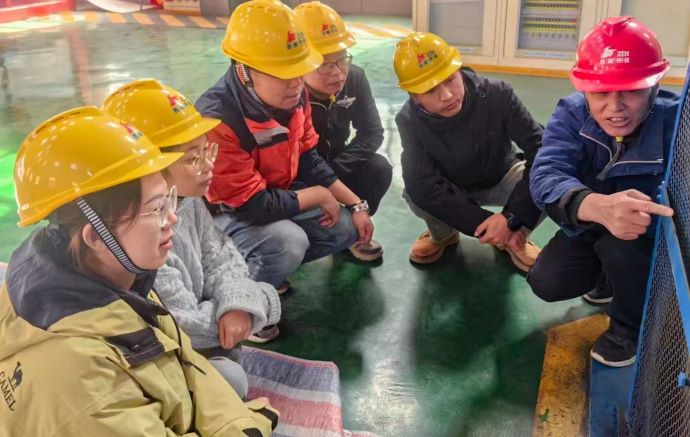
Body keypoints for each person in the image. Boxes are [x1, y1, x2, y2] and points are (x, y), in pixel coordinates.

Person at [0, 107, 278, 435]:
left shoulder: (112, 275)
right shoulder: (81, 381)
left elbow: (186, 364)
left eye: (169, 200)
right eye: (156, 208)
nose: (172, 218)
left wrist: (240, 424)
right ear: (96, 236)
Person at [103, 79, 282, 398]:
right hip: (167, 349)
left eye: (207, 151)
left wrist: (238, 303)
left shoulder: (188, 200)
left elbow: (220, 256)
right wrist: (256, 303)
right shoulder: (140, 235)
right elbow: (184, 325)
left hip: (200, 329)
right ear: (149, 166)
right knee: (230, 378)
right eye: (192, 158)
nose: (209, 166)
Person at [528, 16, 679, 367]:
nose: (615, 107)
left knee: (621, 249)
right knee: (548, 281)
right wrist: (596, 206)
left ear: (654, 86)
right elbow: (546, 173)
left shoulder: (676, 123)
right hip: (593, 221)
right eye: (600, 93)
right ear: (584, 90)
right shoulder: (571, 114)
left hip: (648, 237)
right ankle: (610, 280)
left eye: (631, 90)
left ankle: (629, 330)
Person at [196, 0, 375, 291]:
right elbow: (252, 205)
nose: (296, 84)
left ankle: (269, 264)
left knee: (346, 228)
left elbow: (308, 156)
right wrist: (318, 195)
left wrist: (356, 204)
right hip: (230, 213)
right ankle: (239, 291)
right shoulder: (218, 121)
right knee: (288, 242)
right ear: (245, 70)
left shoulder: (293, 95)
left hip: (274, 195)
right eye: (283, 74)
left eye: (300, 70)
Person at [393, 32, 543, 271]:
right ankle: (443, 235)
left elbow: (541, 149)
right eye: (430, 90)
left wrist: (512, 218)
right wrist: (483, 223)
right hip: (452, 187)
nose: (447, 95)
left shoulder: (498, 94)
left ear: (459, 70)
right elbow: (422, 184)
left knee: (549, 180)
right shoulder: (409, 120)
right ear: (414, 97)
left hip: (502, 176)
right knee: (414, 193)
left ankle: (515, 237)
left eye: (450, 79)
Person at [295, 1, 392, 261]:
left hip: (336, 164)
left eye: (342, 60)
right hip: (300, 176)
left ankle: (351, 233)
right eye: (325, 65)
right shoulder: (289, 93)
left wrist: (334, 174)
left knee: (379, 168)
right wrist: (321, 183)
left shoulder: (355, 79)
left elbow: (372, 132)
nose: (338, 73)